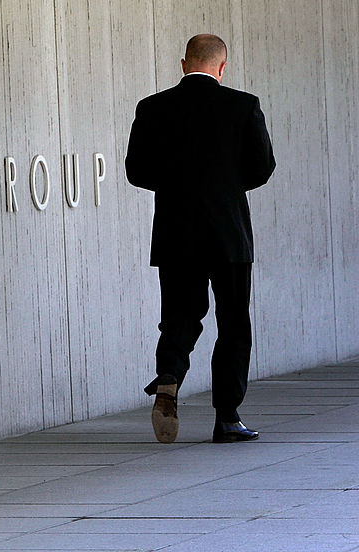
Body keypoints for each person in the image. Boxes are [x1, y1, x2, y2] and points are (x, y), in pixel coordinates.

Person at [125, 34, 276, 444]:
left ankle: (168, 378)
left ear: (183, 63)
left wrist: (178, 188)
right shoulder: (244, 105)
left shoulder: (152, 107)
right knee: (233, 322)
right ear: (222, 68)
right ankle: (227, 417)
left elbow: (137, 171)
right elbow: (262, 167)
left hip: (176, 233)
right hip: (228, 233)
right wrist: (224, 187)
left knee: (180, 316)